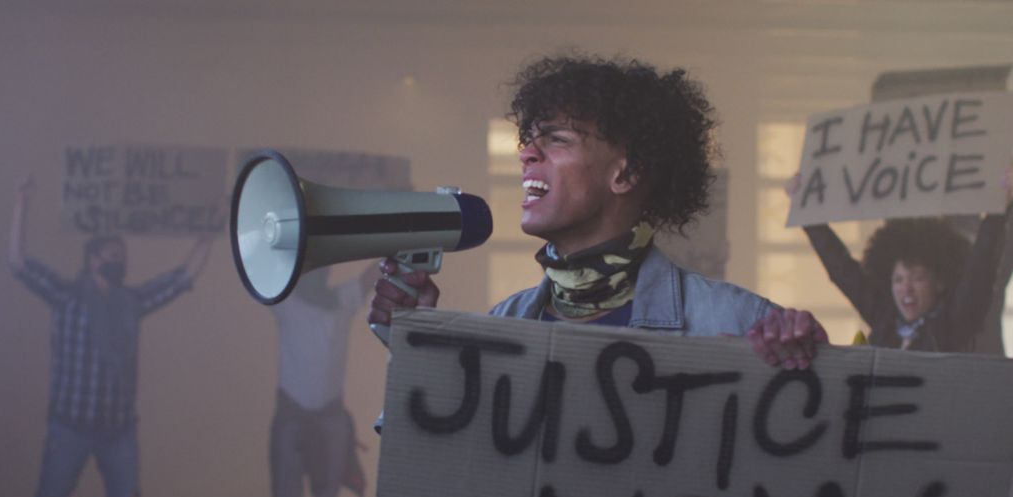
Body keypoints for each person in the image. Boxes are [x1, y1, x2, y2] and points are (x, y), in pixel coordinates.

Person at [369, 54, 827, 377]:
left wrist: (811, 363)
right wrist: (417, 349)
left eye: (556, 139)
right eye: (528, 138)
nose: (526, 153)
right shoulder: (500, 327)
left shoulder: (740, 323)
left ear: (625, 173)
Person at [2, 175, 217, 497]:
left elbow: (181, 278)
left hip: (119, 433)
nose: (120, 260)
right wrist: (21, 204)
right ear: (92, 259)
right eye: (112, 254)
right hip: (69, 430)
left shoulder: (131, 302)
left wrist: (208, 234)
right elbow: (18, 264)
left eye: (122, 255)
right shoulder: (67, 296)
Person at [786, 171, 1011, 352]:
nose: (906, 288)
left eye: (918, 278)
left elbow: (980, 268)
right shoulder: (884, 317)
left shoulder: (956, 323)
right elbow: (842, 269)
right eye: (898, 279)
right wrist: (805, 210)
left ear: (939, 282)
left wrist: (1001, 207)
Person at [269, 265, 374, 497]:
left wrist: (395, 236)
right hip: (292, 419)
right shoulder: (285, 302)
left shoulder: (342, 300)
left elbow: (371, 277)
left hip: (331, 419)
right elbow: (258, 273)